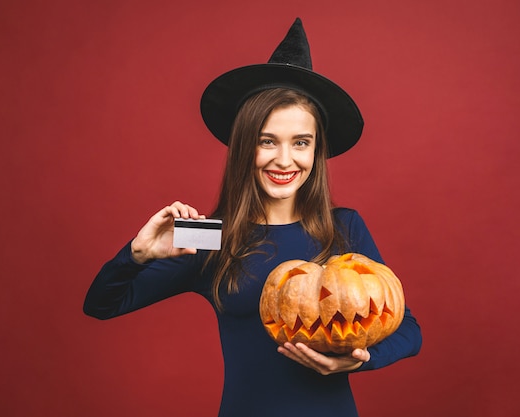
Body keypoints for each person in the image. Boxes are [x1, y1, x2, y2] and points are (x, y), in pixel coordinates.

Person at [84, 18, 422, 417]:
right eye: (267, 141)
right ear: (246, 147)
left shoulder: (344, 227)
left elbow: (408, 330)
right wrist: (137, 254)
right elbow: (102, 304)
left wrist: (359, 360)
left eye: (301, 142)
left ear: (316, 151)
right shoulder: (211, 235)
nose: (284, 159)